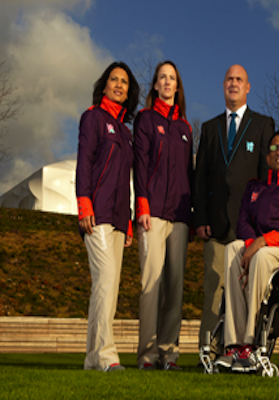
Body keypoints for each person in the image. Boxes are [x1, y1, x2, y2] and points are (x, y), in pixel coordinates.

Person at [215, 130, 279, 373]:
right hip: (257, 247)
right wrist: (251, 243)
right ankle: (233, 345)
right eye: (273, 148)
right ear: (268, 158)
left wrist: (262, 242)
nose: (278, 152)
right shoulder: (255, 187)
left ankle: (250, 343)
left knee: (260, 255)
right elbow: (242, 220)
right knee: (232, 249)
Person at [194, 64, 275, 352]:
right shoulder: (209, 127)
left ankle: (246, 349)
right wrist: (200, 217)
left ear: (248, 87)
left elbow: (268, 178)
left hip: (248, 226)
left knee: (246, 291)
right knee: (213, 291)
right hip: (215, 224)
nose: (234, 83)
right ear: (223, 85)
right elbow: (200, 177)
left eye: (239, 79)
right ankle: (209, 351)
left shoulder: (263, 124)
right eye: (229, 78)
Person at [76, 61, 140, 372]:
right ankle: (107, 356)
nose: (118, 85)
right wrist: (83, 204)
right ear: (104, 86)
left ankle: (91, 359)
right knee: (104, 282)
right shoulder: (93, 118)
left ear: (129, 92)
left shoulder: (126, 132)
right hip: (96, 215)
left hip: (117, 218)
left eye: (124, 82)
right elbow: (84, 162)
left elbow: (124, 179)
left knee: (108, 288)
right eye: (114, 80)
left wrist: (127, 220)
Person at [134, 61, 193, 371]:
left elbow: (189, 174)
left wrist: (192, 215)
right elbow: (140, 166)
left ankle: (169, 354)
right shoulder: (145, 120)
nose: (167, 83)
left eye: (172, 78)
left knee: (175, 286)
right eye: (162, 78)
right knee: (151, 285)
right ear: (155, 86)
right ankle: (147, 354)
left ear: (177, 86)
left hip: (180, 218)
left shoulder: (185, 128)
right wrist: (141, 205)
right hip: (152, 214)